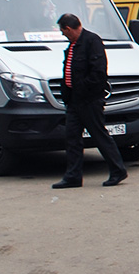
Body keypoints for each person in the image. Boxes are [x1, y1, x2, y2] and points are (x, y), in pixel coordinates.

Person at [52, 13, 127, 189]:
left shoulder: (92, 42)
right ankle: (73, 177)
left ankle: (118, 170)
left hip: (89, 100)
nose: (64, 35)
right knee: (72, 138)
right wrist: (67, 92)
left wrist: (81, 89)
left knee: (99, 136)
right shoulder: (72, 45)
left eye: (64, 32)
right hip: (73, 101)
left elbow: (98, 73)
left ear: (69, 29)